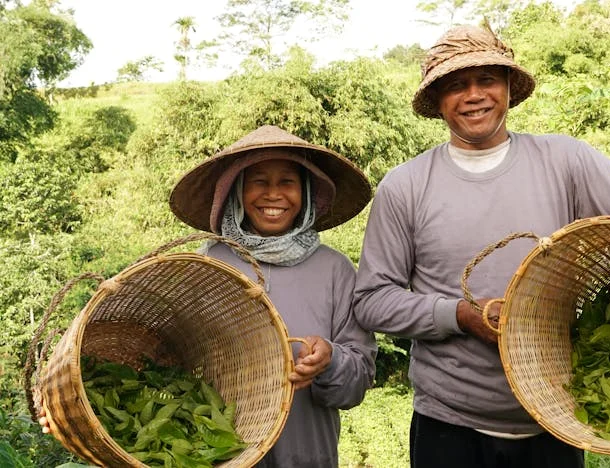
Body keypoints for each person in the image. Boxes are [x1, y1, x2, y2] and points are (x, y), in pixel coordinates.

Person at [352, 24, 610, 468]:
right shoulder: (405, 186)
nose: (473, 95)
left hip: (558, 417)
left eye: (487, 79)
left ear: (508, 87)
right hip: (449, 425)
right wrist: (461, 315)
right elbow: (373, 302)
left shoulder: (565, 161)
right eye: (455, 85)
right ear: (437, 102)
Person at [41, 125, 377, 468]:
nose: (273, 194)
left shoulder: (335, 271)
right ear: (236, 191)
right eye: (258, 181)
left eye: (287, 182)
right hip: (213, 456)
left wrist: (330, 361)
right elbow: (160, 352)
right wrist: (67, 406)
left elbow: (358, 380)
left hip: (306, 454)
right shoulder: (206, 266)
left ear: (305, 192)